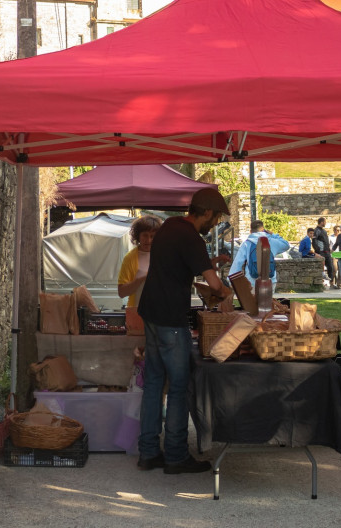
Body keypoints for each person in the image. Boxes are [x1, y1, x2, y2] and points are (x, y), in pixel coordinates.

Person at [137, 188, 231, 474]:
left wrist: (209, 265)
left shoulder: (170, 226)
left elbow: (179, 265)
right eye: (215, 218)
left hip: (151, 313)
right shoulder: (192, 237)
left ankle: (149, 452)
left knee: (154, 384)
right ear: (205, 212)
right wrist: (227, 292)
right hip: (169, 319)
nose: (214, 224)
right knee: (178, 387)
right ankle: (176, 456)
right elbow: (214, 286)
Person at [229, 219, 291, 289]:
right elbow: (286, 245)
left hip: (252, 279)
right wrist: (273, 235)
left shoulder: (247, 243)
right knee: (268, 299)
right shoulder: (271, 241)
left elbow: (238, 262)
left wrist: (230, 280)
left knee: (252, 300)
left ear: (251, 231)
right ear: (263, 230)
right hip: (270, 279)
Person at [118, 215, 164, 307]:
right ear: (138, 236)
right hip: (136, 312)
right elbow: (121, 292)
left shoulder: (166, 256)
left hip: (161, 313)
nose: (148, 240)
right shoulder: (130, 258)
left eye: (152, 236)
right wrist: (139, 280)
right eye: (145, 235)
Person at [314, 218, 335, 287]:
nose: (325, 223)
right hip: (321, 252)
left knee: (331, 268)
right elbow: (314, 241)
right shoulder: (316, 230)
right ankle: (320, 284)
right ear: (322, 222)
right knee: (321, 268)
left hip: (327, 252)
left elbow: (326, 242)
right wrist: (318, 250)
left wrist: (329, 250)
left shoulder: (324, 231)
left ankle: (331, 283)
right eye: (325, 222)